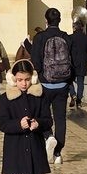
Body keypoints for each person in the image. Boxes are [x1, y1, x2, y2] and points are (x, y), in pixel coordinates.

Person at [31, 9, 74, 165]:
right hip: (62, 84)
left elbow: (35, 62)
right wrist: (69, 81)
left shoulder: (40, 37)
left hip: (44, 84)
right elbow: (73, 62)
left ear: (46, 20)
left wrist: (39, 77)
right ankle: (57, 153)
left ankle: (49, 136)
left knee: (41, 114)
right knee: (60, 119)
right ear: (60, 20)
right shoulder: (67, 38)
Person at [69, 20, 87, 110]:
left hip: (72, 62)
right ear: (82, 27)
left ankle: (73, 94)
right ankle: (79, 101)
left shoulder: (70, 37)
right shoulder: (86, 38)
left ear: (74, 27)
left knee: (69, 80)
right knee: (81, 82)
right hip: (82, 62)